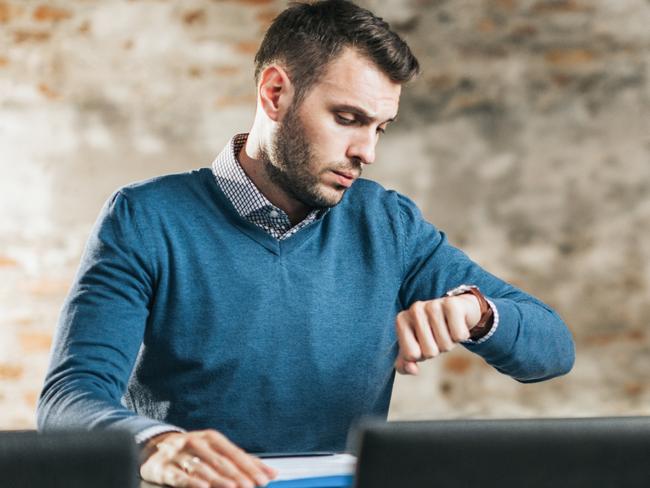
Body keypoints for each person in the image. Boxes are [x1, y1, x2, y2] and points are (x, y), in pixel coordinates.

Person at [37, 1, 575, 487]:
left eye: (381, 128)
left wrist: (478, 313)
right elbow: (68, 399)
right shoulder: (147, 217)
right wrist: (155, 443)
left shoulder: (389, 224)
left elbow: (553, 350)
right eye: (347, 119)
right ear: (275, 94)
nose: (366, 152)